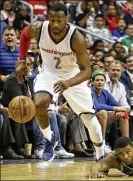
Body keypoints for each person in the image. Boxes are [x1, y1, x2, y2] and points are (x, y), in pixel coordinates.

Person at [15, 3, 104, 162]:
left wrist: (68, 83)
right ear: (48, 17)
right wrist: (22, 59)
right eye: (52, 19)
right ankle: (50, 139)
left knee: (88, 119)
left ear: (66, 19)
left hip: (72, 76)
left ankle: (100, 154)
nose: (55, 24)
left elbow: (87, 71)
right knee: (40, 104)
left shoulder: (76, 38)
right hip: (48, 73)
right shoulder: (39, 28)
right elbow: (24, 35)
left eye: (59, 20)